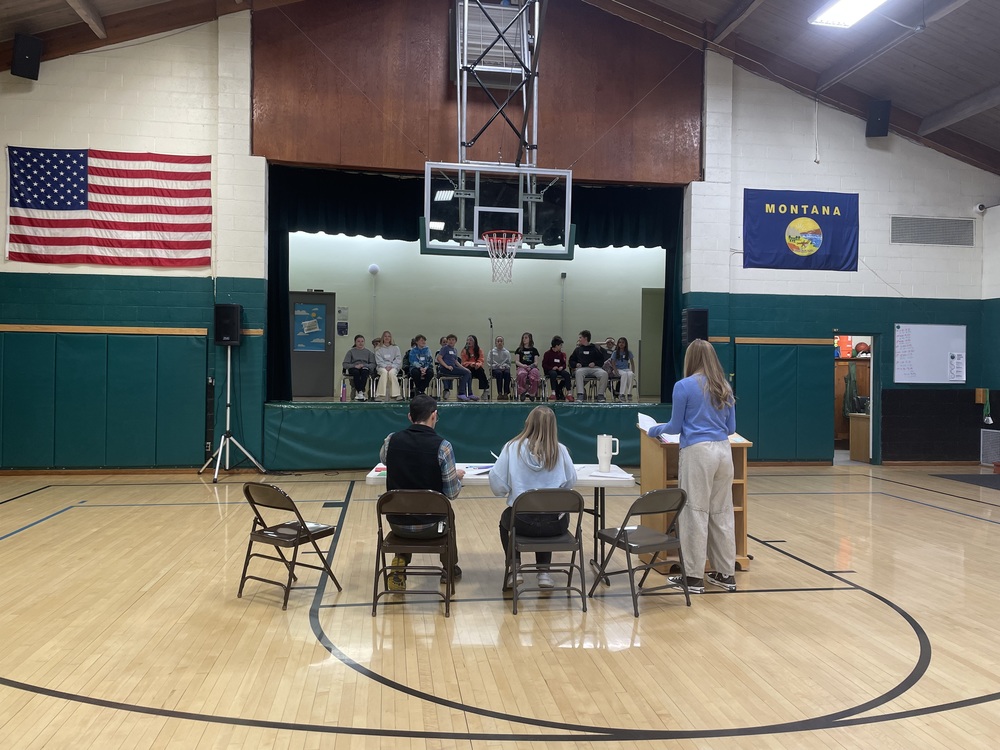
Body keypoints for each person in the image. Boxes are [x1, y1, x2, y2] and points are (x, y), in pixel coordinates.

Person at [647, 339, 737, 594]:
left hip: (698, 453)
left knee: (694, 512)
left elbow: (675, 427)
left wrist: (655, 429)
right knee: (721, 512)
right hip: (723, 451)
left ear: (691, 359)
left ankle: (694, 577)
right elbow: (730, 428)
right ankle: (725, 573)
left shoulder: (683, 386)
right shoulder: (725, 387)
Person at [380, 394, 466, 589]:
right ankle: (449, 568)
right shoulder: (443, 447)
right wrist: (455, 476)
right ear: (434, 415)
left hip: (397, 524)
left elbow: (385, 459)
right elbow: (452, 494)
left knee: (407, 507)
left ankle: (401, 560)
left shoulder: (391, 440)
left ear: (410, 417)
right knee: (447, 513)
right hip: (432, 526)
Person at [489, 406, 576, 589]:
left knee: (506, 518)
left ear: (528, 423)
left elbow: (498, 486)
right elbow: (569, 484)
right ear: (553, 427)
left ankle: (515, 568)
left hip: (522, 522)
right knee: (551, 512)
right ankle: (544, 572)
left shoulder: (512, 448)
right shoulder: (561, 451)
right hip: (554, 525)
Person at [569, 329, 608, 402]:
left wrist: (595, 363)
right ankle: (580, 394)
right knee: (578, 373)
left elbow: (601, 360)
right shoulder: (578, 349)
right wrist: (576, 364)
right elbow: (571, 360)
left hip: (595, 368)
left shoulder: (595, 349)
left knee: (604, 374)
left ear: (585, 338)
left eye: (580, 337)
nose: (579, 339)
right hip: (583, 368)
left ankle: (600, 395)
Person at [437, 333, 475, 401]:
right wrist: (447, 366)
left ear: (455, 341)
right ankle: (461, 393)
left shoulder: (454, 350)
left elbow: (456, 362)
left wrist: (464, 368)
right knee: (466, 373)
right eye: (449, 340)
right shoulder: (445, 348)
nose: (451, 341)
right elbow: (439, 358)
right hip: (445, 369)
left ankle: (469, 393)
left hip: (453, 368)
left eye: (453, 340)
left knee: (468, 372)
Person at [342, 334, 375, 400]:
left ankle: (360, 392)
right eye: (358, 341)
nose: (360, 343)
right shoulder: (351, 352)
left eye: (362, 341)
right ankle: (361, 392)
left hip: (364, 367)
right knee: (356, 372)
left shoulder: (368, 352)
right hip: (354, 368)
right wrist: (355, 366)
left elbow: (373, 364)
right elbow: (345, 364)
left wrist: (364, 365)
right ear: (355, 342)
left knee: (364, 372)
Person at [542, 335, 573, 401]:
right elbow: (544, 364)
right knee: (553, 374)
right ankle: (553, 392)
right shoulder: (547, 354)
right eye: (560, 345)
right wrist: (552, 368)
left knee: (567, 374)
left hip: (559, 370)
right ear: (556, 346)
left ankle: (569, 393)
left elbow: (564, 364)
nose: (561, 347)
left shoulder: (561, 354)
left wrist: (562, 367)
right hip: (550, 370)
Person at [374, 330, 402, 401]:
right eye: (385, 336)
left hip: (393, 366)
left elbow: (398, 359)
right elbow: (379, 360)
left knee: (392, 373)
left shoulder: (396, 348)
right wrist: (385, 366)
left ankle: (396, 394)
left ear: (391, 338)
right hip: (382, 367)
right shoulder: (378, 348)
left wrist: (392, 366)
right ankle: (380, 395)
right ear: (382, 338)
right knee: (384, 372)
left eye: (389, 336)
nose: (387, 338)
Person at [514, 331, 541, 401]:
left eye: (526, 338)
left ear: (530, 339)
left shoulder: (534, 350)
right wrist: (523, 366)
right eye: (523, 338)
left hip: (532, 367)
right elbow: (517, 361)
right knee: (521, 374)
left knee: (535, 373)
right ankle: (522, 391)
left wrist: (530, 366)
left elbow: (536, 362)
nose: (524, 339)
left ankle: (532, 392)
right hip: (522, 366)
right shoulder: (519, 350)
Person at [610, 337, 635, 402]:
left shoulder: (628, 352)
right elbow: (613, 363)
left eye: (623, 342)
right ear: (618, 344)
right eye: (620, 342)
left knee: (631, 374)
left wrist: (633, 371)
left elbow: (632, 363)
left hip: (626, 369)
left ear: (625, 344)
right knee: (624, 374)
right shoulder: (615, 352)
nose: (621, 344)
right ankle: (622, 394)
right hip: (617, 369)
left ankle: (629, 393)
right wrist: (615, 371)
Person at [488, 335, 512, 400]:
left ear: (503, 343)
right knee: (499, 373)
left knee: (507, 373)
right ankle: (500, 393)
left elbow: (509, 363)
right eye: (498, 341)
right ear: (495, 343)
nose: (499, 342)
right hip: (495, 369)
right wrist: (497, 366)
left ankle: (506, 393)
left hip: (504, 368)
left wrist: (505, 366)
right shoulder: (491, 352)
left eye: (501, 341)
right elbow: (489, 363)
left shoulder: (506, 352)